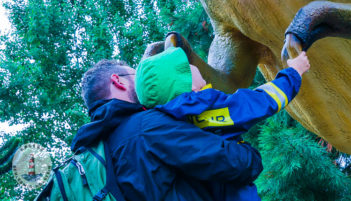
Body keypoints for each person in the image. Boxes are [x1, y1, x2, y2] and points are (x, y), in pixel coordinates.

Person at [70, 59, 264, 201]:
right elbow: (242, 164)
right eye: (136, 76)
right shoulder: (147, 127)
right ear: (118, 81)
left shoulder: (96, 155)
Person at [134, 47, 310, 200]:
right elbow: (259, 102)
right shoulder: (201, 106)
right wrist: (294, 72)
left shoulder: (167, 122)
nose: (194, 66)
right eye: (187, 66)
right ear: (189, 86)